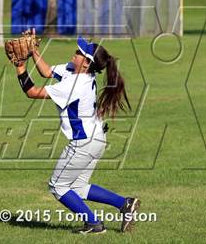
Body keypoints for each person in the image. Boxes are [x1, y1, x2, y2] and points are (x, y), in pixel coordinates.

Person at [10, 33, 140, 234]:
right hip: (96, 138)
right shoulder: (76, 72)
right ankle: (125, 204)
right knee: (78, 187)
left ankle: (94, 224)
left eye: (80, 53)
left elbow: (32, 92)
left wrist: (20, 66)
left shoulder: (75, 85)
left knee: (58, 186)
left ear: (86, 64)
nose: (75, 53)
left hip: (83, 142)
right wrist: (33, 52)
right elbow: (46, 72)